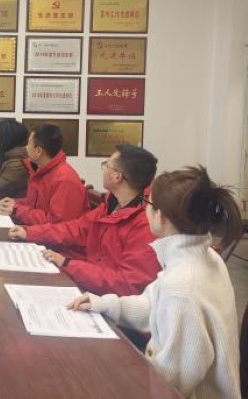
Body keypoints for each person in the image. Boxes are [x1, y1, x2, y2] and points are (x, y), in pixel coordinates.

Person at [68, 166, 242, 399]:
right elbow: (153, 305)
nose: (145, 210)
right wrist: (106, 304)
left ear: (161, 216)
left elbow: (171, 383)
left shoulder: (183, 286)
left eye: (148, 204)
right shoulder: (198, 257)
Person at [8, 144, 161, 296]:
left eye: (106, 165)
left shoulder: (146, 224)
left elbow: (127, 285)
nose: (103, 169)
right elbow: (77, 229)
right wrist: (30, 232)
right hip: (90, 283)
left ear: (117, 177)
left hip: (107, 299)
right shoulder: (112, 204)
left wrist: (68, 264)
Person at [0, 124, 87, 225]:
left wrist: (16, 211)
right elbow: (34, 204)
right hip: (39, 230)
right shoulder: (44, 171)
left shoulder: (64, 179)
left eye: (28, 144)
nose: (26, 148)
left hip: (51, 233)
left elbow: (56, 223)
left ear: (38, 151)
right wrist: (15, 203)